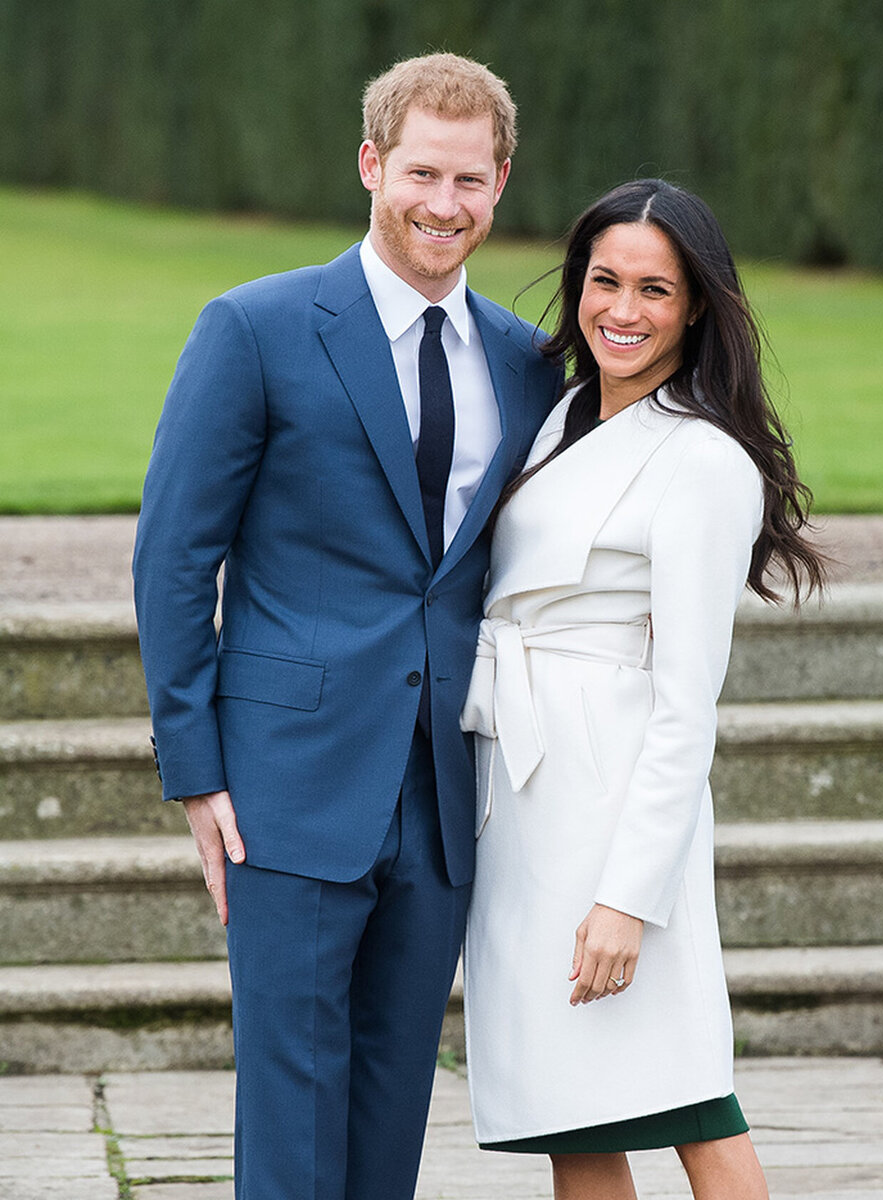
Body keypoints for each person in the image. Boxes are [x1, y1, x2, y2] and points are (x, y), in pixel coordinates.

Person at [132, 52, 561, 1200]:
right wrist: (195, 768)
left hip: (441, 787)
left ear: (500, 184)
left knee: (392, 1101)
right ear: (371, 164)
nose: (443, 204)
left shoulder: (527, 365)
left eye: (469, 181)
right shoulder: (257, 328)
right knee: (291, 1102)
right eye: (421, 171)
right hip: (285, 780)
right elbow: (175, 556)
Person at [461, 178, 826, 1200]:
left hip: (612, 804)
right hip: (519, 801)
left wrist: (627, 898)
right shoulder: (558, 414)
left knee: (686, 1104)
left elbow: (684, 700)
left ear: (697, 305)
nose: (622, 311)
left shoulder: (700, 459)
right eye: (603, 281)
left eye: (655, 291)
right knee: (569, 1115)